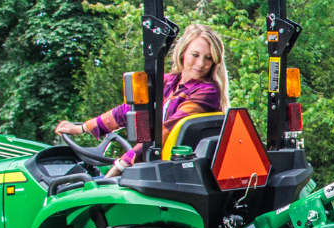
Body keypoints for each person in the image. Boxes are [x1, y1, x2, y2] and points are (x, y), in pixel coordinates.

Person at [55, 23, 228, 173]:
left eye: (208, 58)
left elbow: (168, 128)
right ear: (183, 53)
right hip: (156, 164)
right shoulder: (168, 81)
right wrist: (83, 128)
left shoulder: (207, 92)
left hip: (173, 169)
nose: (201, 64)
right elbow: (129, 110)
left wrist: (124, 163)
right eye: (195, 55)